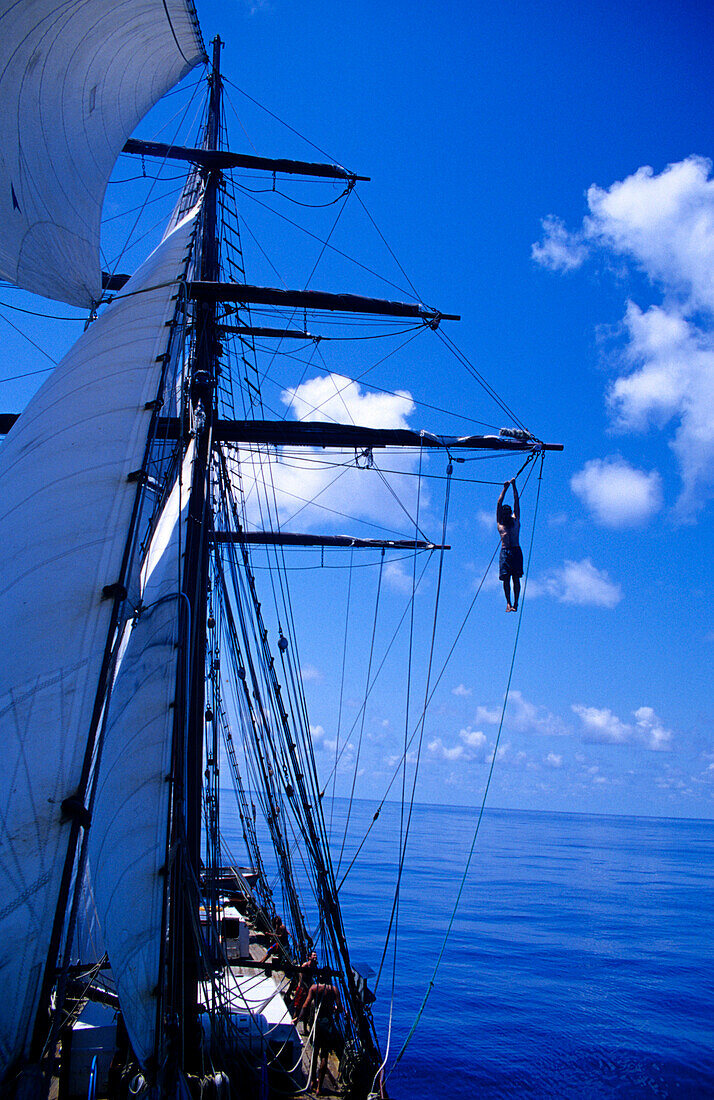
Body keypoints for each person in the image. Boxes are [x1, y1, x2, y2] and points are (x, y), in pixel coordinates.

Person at [296, 969, 343, 1095]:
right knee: (324, 1056)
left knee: (314, 1053)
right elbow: (339, 1008)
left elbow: (305, 1006)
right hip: (327, 1023)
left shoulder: (314, 988)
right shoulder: (333, 990)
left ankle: (312, 1082)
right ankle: (319, 1088)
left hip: (316, 1022)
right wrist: (333, 1008)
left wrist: (298, 1018)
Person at [497, 478, 523, 612]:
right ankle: (508, 603)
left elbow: (516, 501)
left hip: (516, 551)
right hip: (505, 551)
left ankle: (516, 603)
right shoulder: (500, 523)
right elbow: (498, 503)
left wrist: (513, 486)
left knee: (516, 579)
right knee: (506, 579)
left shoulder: (515, 521)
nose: (506, 516)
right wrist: (504, 488)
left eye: (508, 513)